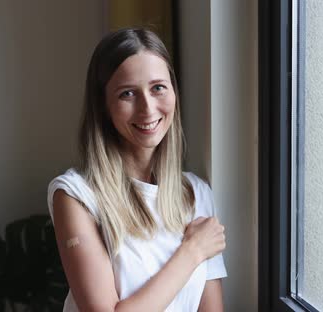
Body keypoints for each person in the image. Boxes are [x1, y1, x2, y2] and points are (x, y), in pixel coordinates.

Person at [47, 28, 227, 312]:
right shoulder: (75, 196)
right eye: (127, 93)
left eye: (158, 88)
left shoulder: (197, 194)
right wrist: (192, 251)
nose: (147, 108)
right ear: (104, 106)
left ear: (174, 93)